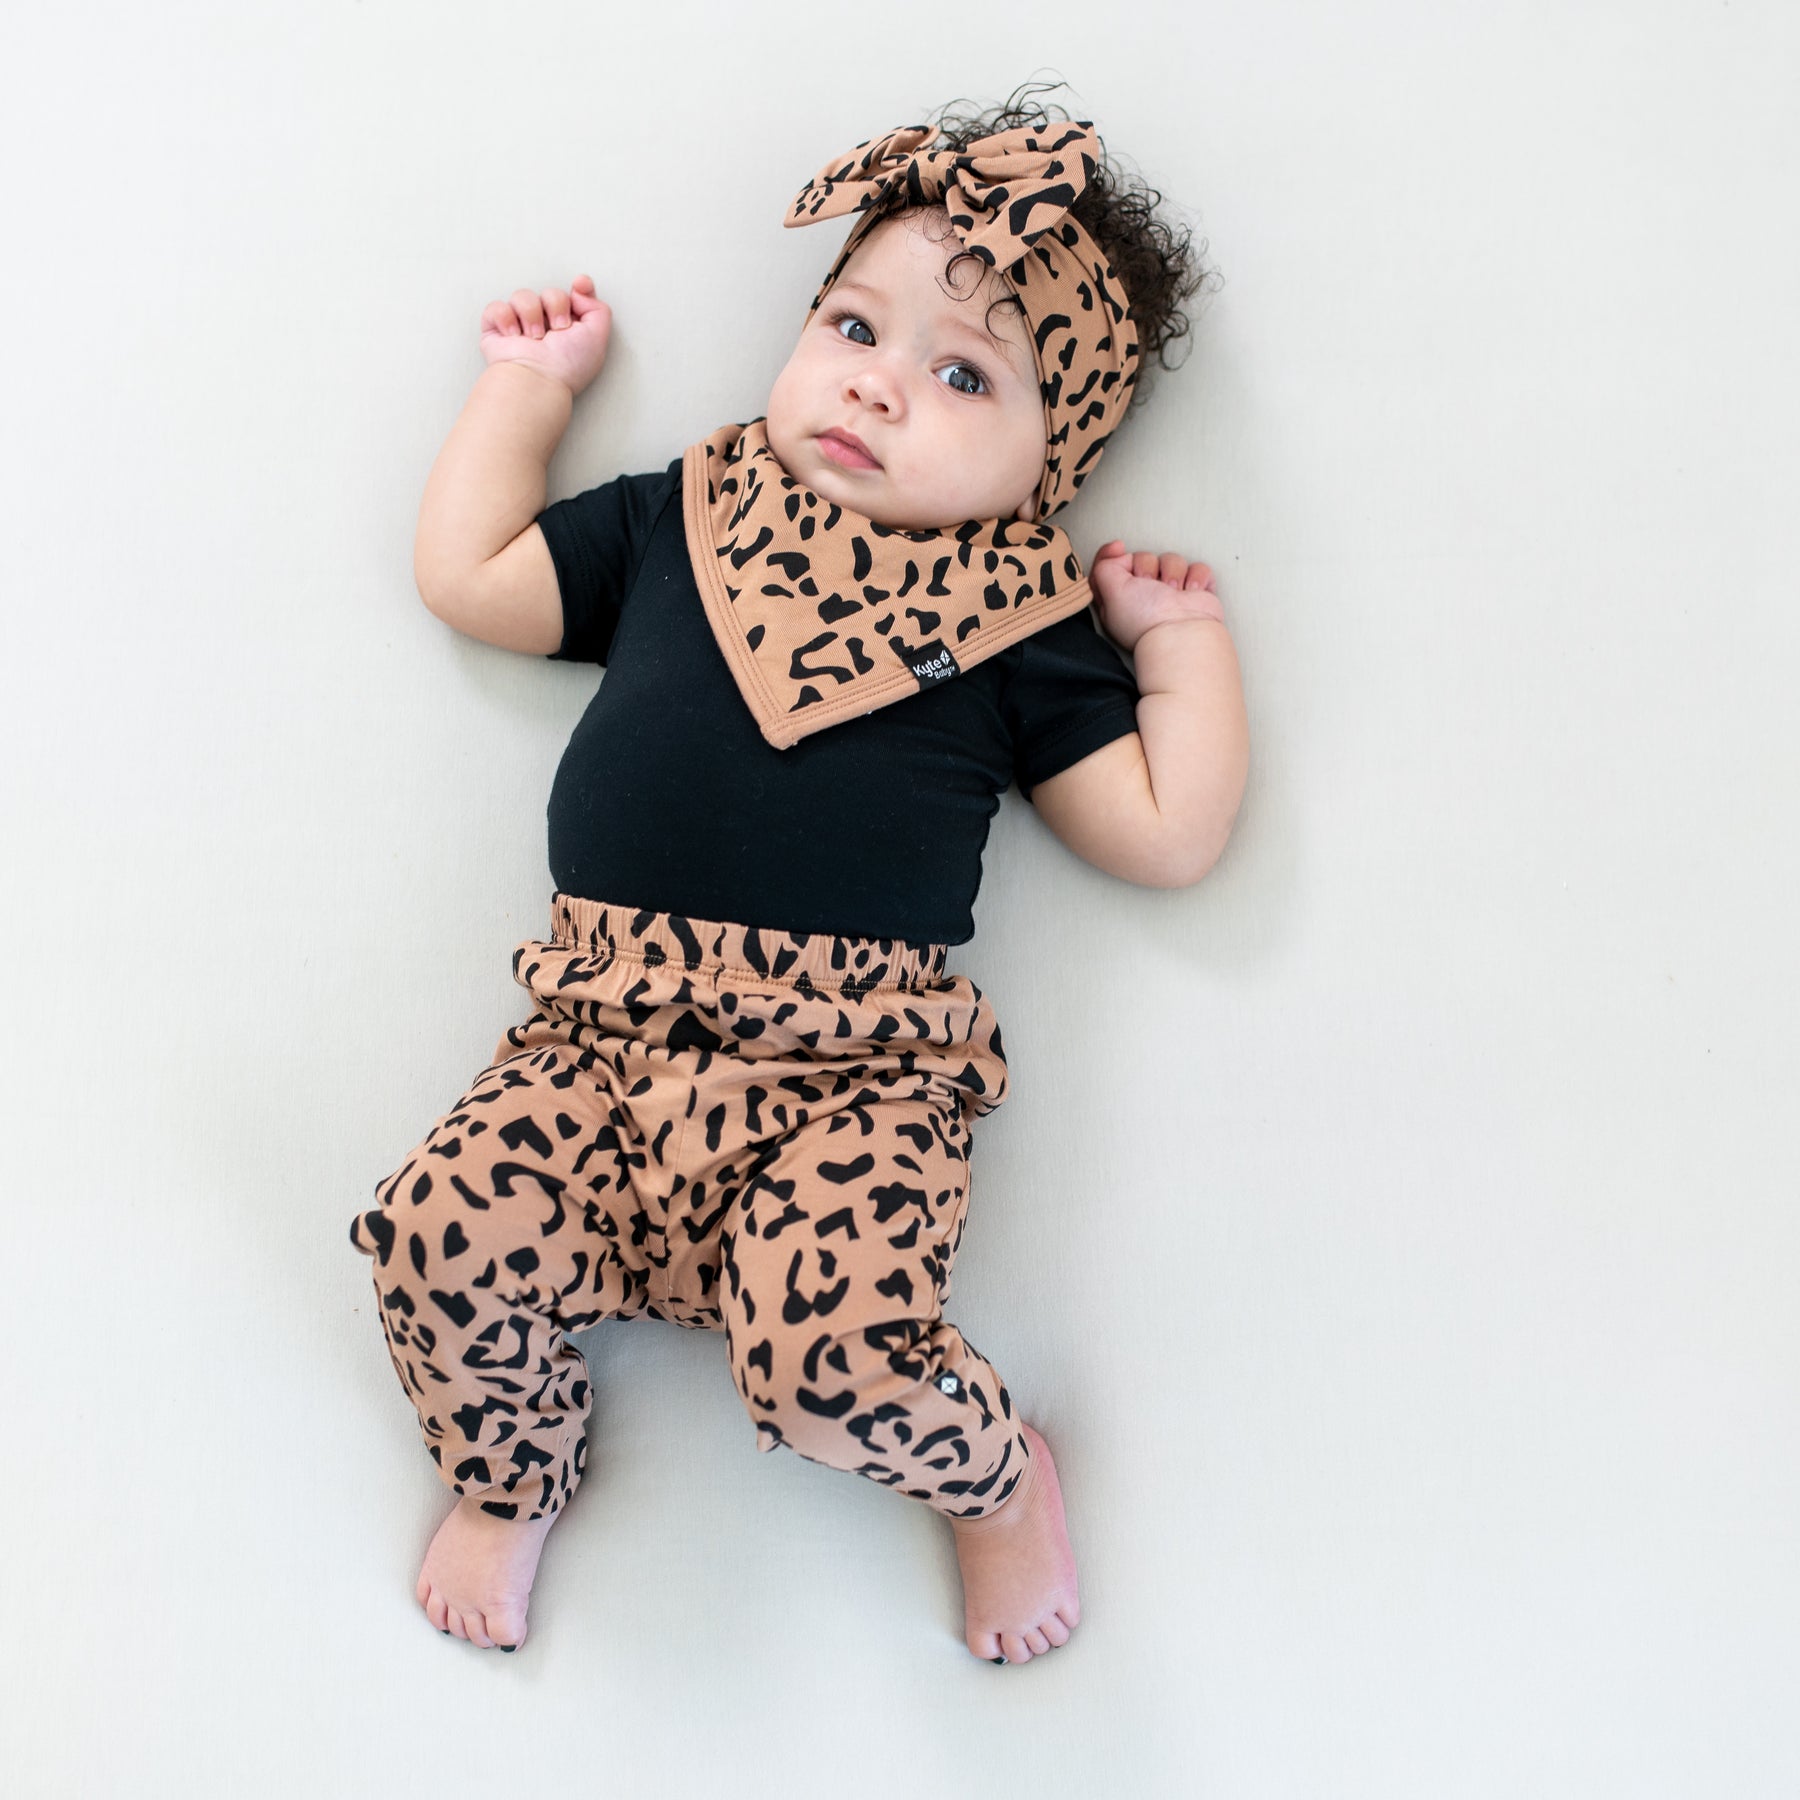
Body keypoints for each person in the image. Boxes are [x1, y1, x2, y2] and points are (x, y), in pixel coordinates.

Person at [349, 82, 1249, 1667]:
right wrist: (525, 395)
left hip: (853, 1079)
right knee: (437, 1236)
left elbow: (1165, 834)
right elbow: (469, 577)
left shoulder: (1017, 620)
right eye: (854, 327)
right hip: (600, 1046)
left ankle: (991, 1480)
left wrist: (1178, 651)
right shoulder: (682, 518)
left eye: (964, 374)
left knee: (842, 1366)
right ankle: (509, 1472)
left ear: (1056, 457)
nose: (881, 389)